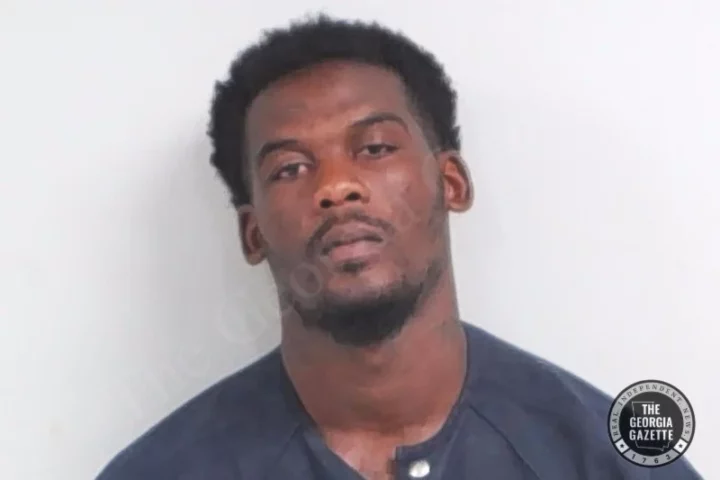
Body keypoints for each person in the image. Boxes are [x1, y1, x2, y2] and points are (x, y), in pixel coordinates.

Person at [96, 14, 702, 480]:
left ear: (451, 182)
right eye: (290, 168)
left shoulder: (605, 458)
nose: (336, 187)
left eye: (375, 148)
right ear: (252, 233)